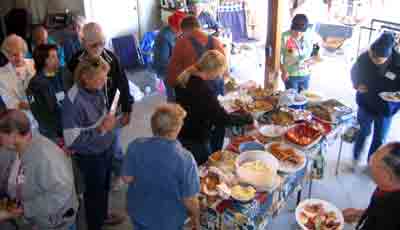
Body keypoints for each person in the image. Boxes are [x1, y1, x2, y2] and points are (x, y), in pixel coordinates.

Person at [67, 22, 133, 197]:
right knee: (95, 147)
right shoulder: (75, 61)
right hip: (89, 116)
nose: (99, 47)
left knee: (116, 147)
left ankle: (118, 174)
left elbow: (123, 84)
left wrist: (127, 109)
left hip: (111, 113)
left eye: (102, 42)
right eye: (93, 44)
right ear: (83, 42)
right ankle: (99, 178)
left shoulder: (112, 58)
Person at [63, 56, 122, 230]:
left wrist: (110, 120)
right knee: (94, 193)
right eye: (101, 78)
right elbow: (71, 141)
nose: (105, 82)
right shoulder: (72, 101)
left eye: (105, 77)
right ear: (85, 78)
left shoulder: (94, 88)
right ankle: (95, 224)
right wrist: (100, 130)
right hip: (91, 157)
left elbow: (99, 115)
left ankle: (103, 216)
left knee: (104, 186)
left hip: (106, 147)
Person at [122, 103, 201, 230]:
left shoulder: (135, 145)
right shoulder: (186, 159)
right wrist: (196, 218)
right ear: (176, 129)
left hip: (138, 212)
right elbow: (190, 200)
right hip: (168, 221)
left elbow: (127, 178)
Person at [0, 109, 78, 229]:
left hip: (55, 224)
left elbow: (60, 193)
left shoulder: (45, 157)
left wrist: (24, 209)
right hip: (37, 220)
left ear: (14, 135)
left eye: (1, 135)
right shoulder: (16, 147)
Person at [175, 50, 253, 165]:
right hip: (196, 137)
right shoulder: (201, 89)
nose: (219, 76)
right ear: (213, 71)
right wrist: (247, 118)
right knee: (204, 166)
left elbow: (205, 108)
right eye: (219, 73)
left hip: (183, 131)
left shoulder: (187, 76)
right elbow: (221, 118)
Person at [167, 16, 227, 153]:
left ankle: (206, 162)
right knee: (218, 126)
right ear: (199, 26)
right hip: (216, 97)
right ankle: (216, 155)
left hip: (195, 102)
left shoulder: (181, 43)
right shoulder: (216, 41)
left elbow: (172, 77)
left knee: (199, 138)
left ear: (185, 30)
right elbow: (225, 71)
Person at [351, 32, 400, 167]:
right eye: (372, 55)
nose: (373, 60)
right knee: (363, 131)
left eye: (378, 59)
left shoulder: (398, 64)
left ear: (388, 56)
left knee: (379, 138)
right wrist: (357, 84)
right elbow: (354, 71)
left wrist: (396, 96)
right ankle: (355, 157)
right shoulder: (365, 57)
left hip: (385, 109)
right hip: (365, 103)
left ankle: (371, 163)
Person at [342, 142, 400, 230]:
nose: (371, 158)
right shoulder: (387, 186)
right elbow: (377, 209)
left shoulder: (390, 215)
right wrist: (361, 214)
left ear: (385, 176)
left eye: (375, 155)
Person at [27, 44, 67, 142]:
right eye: (53, 56)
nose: (58, 59)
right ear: (44, 60)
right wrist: (57, 138)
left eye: (57, 56)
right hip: (54, 135)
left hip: (70, 126)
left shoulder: (63, 74)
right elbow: (40, 115)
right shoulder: (35, 85)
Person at [0, 34, 38, 130]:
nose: (14, 57)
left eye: (17, 54)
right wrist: (28, 106)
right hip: (22, 117)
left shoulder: (34, 63)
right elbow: (9, 101)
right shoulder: (1, 74)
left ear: (23, 52)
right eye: (10, 55)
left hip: (42, 110)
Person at [280, 14, 319, 92]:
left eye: (301, 31)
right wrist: (283, 71)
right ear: (292, 27)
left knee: (303, 99)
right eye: (295, 30)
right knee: (292, 101)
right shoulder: (284, 37)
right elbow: (277, 56)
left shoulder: (310, 35)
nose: (298, 33)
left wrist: (313, 59)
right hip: (290, 75)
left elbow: (316, 47)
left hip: (306, 74)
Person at [153, 10, 186, 101]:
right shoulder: (164, 37)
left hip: (175, 66)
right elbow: (163, 61)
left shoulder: (176, 33)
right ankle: (172, 110)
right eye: (180, 29)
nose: (181, 32)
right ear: (174, 26)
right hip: (167, 70)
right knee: (173, 96)